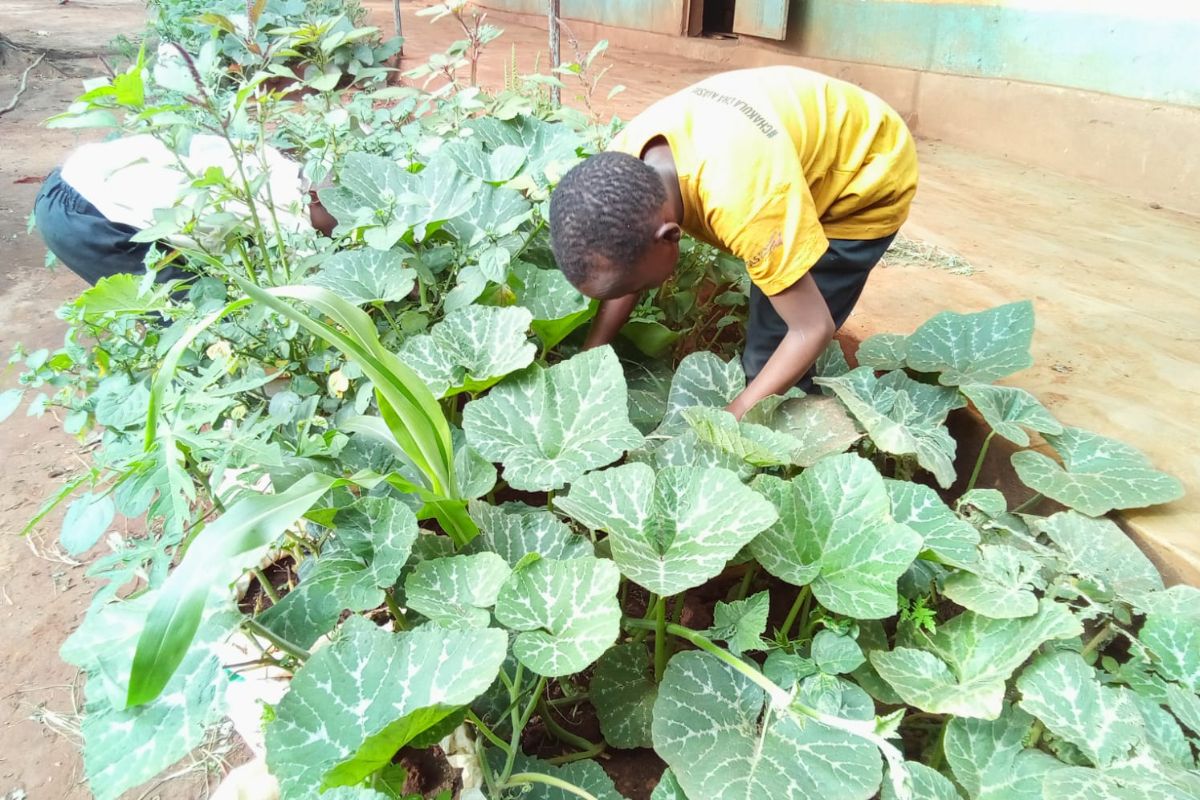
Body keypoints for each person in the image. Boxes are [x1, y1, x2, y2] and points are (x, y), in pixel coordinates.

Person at [549, 66, 918, 418]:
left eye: (641, 286)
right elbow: (626, 266)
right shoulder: (624, 164)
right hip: (804, 126)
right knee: (772, 282)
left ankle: (793, 445)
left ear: (670, 236)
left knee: (769, 355)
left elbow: (811, 328)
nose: (638, 291)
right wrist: (591, 352)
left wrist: (736, 414)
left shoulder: (747, 203)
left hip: (866, 170)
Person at [33, 133, 333, 286]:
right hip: (83, 215)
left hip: (78, 179)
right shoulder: (280, 210)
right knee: (190, 314)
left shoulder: (271, 163)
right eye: (335, 223)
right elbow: (304, 290)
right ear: (314, 198)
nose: (335, 232)